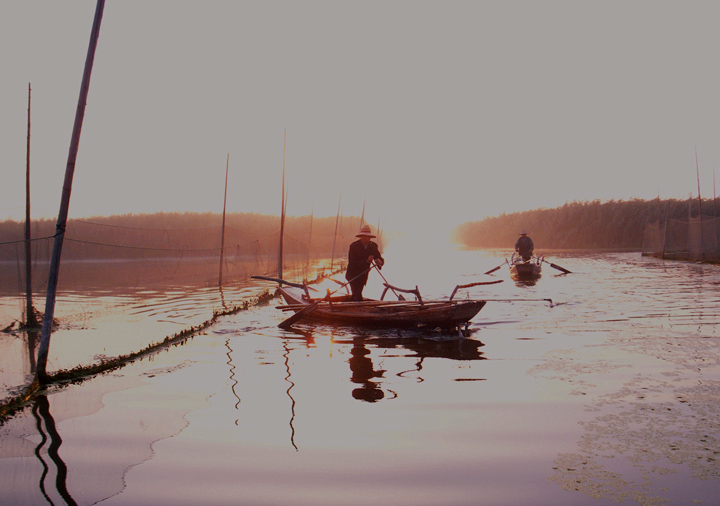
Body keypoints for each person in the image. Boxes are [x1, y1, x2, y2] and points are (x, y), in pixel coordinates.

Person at [346, 224, 384, 301]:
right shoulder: (354, 246)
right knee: (357, 294)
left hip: (363, 275)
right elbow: (352, 263)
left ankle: (353, 305)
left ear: (370, 237)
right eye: (364, 236)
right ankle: (355, 307)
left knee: (357, 293)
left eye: (367, 237)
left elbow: (379, 258)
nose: (366, 238)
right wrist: (366, 261)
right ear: (361, 237)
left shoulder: (373, 246)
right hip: (353, 274)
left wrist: (379, 262)